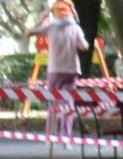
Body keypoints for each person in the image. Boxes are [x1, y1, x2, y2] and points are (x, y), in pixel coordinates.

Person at [28, 9, 90, 140]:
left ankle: (50, 135)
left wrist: (41, 17)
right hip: (71, 70)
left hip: (54, 70)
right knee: (68, 105)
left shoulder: (51, 28)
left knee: (53, 104)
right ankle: (66, 137)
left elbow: (30, 32)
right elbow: (84, 46)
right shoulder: (75, 28)